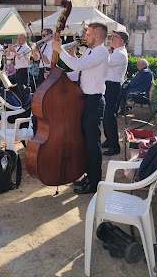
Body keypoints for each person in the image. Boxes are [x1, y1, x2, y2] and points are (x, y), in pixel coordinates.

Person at [52, 22, 109, 194]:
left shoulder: (101, 52)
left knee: (92, 143)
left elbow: (77, 65)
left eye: (89, 33)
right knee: (85, 141)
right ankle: (89, 174)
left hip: (94, 101)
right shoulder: (90, 50)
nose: (85, 36)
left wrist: (60, 50)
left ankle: (95, 182)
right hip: (86, 99)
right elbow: (78, 72)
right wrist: (57, 75)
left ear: (97, 37)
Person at [102, 31, 129, 156]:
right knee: (106, 115)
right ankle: (109, 140)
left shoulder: (120, 54)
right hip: (110, 85)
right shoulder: (116, 52)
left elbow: (103, 63)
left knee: (109, 116)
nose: (111, 39)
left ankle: (115, 146)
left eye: (115, 37)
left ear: (122, 41)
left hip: (113, 86)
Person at [8, 34, 31, 102]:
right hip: (17, 70)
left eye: (20, 39)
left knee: (23, 88)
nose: (18, 40)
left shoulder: (27, 48)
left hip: (24, 70)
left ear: (25, 39)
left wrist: (14, 52)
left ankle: (24, 102)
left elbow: (22, 59)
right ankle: (20, 102)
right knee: (18, 88)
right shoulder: (18, 48)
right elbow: (9, 58)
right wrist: (9, 51)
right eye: (18, 39)